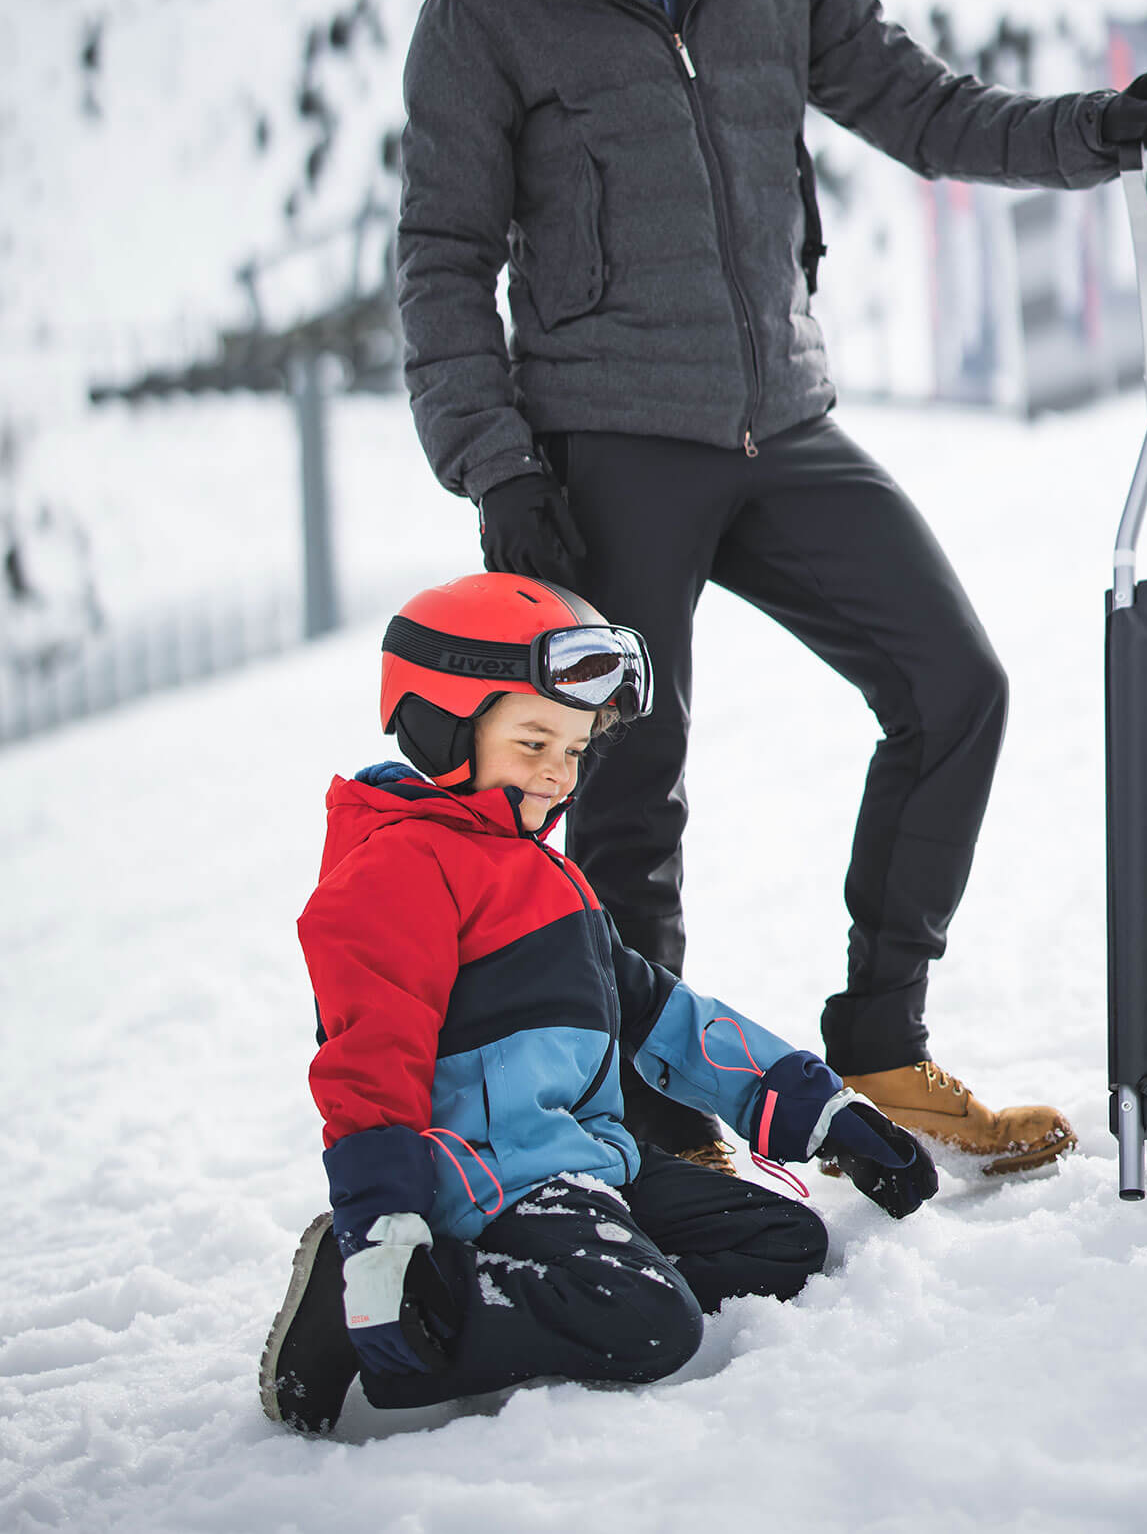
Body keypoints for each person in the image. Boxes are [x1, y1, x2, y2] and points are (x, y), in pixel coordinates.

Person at [396, 0, 1147, 1177]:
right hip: (604, 451)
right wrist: (499, 468)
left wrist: (1096, 132)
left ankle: (883, 1046)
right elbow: (441, 263)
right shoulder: (483, 19)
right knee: (628, 792)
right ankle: (660, 1129)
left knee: (952, 684)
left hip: (780, 421)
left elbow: (930, 111)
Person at [259, 573, 937, 1435]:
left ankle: (580, 1286)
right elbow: (369, 1064)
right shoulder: (397, 869)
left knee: (787, 1246)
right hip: (492, 1183)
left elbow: (658, 1014)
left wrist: (820, 1108)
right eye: (533, 741)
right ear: (441, 727)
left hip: (590, 1165)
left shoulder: (542, 875)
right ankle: (383, 1318)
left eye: (574, 750)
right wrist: (381, 1229)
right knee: (651, 1323)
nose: (558, 773)